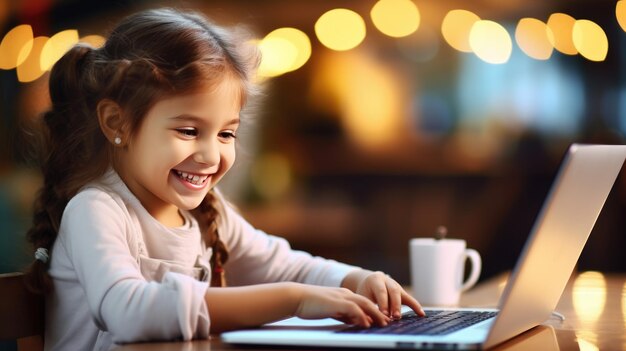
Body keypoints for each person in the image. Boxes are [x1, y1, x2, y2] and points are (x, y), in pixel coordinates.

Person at [24, 7, 424, 351]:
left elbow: (288, 266)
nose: (211, 155)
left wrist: (356, 279)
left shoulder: (209, 214)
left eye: (226, 134)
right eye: (188, 131)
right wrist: (293, 300)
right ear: (118, 123)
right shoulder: (96, 209)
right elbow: (129, 312)